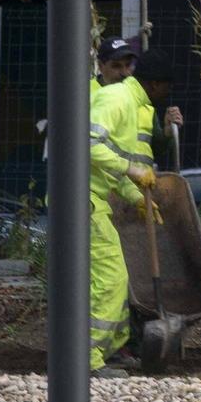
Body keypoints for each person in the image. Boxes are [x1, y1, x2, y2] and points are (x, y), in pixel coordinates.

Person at [87, 58, 155, 377]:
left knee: (111, 278)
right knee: (111, 278)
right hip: (81, 201)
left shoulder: (128, 101)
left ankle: (109, 351)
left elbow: (108, 168)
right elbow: (85, 144)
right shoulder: (118, 100)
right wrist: (133, 169)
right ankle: (87, 358)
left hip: (89, 198)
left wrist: (137, 198)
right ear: (157, 84)